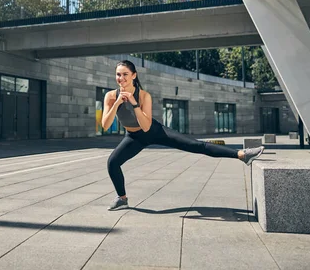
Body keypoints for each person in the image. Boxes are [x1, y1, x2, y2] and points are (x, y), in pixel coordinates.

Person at [102, 60, 264, 211]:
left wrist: (134, 103)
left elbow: (146, 126)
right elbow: (105, 125)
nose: (121, 78)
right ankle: (122, 198)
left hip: (154, 131)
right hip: (133, 137)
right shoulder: (110, 96)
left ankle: (242, 155)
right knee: (112, 163)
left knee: (196, 145)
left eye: (125, 74)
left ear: (134, 76)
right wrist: (117, 103)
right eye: (118, 74)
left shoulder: (144, 96)